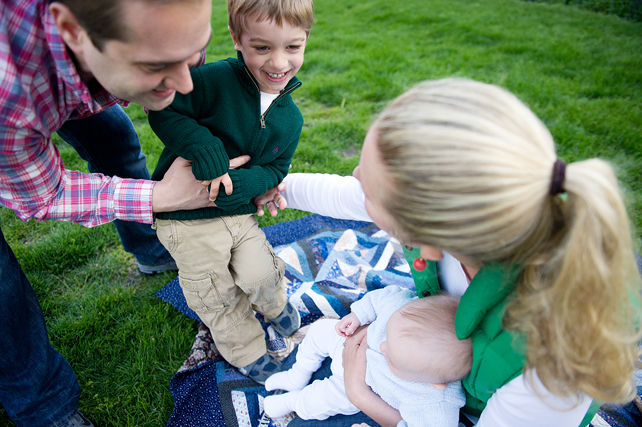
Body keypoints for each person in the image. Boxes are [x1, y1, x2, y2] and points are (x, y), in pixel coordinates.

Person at [256, 78, 642, 427]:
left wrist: (360, 394)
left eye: (369, 188)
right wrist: (273, 186)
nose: (356, 175)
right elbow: (344, 194)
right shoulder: (476, 215)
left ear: (424, 237)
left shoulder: (556, 361)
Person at [0, 0, 251, 425]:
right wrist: (161, 197)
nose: (186, 84)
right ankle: (44, 405)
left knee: (114, 135)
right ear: (72, 31)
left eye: (194, 53)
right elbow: (42, 194)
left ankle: (150, 251)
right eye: (156, 65)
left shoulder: (141, 38)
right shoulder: (11, 97)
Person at [147, 0, 315, 384]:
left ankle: (277, 308)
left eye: (292, 47)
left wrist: (251, 184)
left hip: (239, 214)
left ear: (305, 40)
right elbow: (164, 110)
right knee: (217, 295)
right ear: (237, 40)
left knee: (261, 272)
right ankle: (248, 351)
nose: (278, 63)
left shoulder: (290, 117)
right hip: (187, 221)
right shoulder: (212, 80)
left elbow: (276, 168)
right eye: (262, 47)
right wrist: (205, 149)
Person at [263, 286, 471, 427]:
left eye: (393, 361)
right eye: (388, 334)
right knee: (318, 331)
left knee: (320, 399)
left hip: (364, 386)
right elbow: (385, 298)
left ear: (436, 383)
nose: (381, 348)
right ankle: (297, 374)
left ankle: (292, 402)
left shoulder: (436, 405)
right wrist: (358, 316)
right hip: (350, 341)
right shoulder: (406, 311)